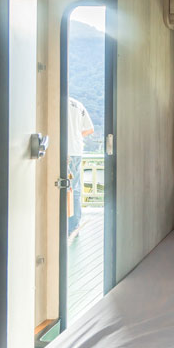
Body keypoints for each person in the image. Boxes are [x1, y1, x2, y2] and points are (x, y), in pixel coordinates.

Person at [68, 96, 95, 240]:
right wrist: (76, 135)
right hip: (76, 151)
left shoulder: (54, 101)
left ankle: (58, 224)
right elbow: (90, 129)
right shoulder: (78, 105)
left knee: (58, 188)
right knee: (75, 188)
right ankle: (74, 226)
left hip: (59, 150)